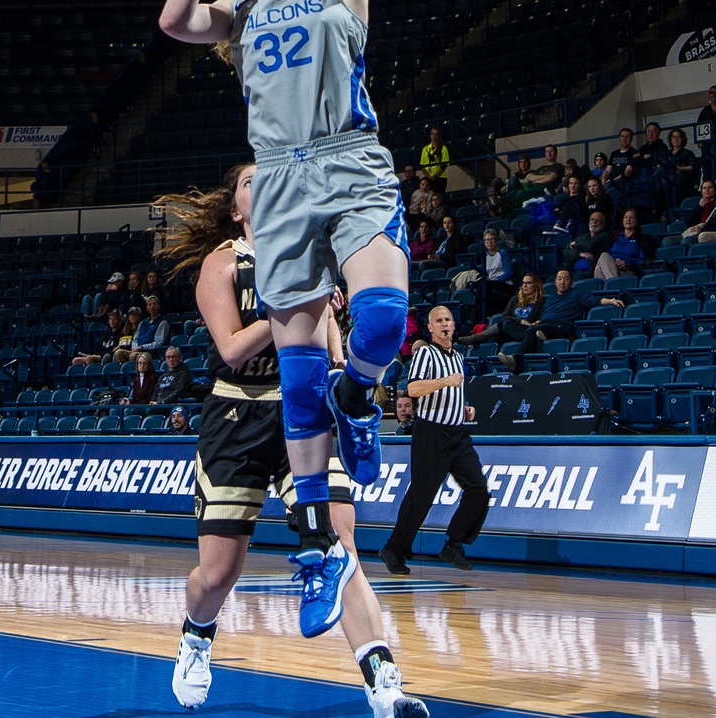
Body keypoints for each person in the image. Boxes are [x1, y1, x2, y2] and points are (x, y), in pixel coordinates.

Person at [159, 0, 424, 638]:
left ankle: (363, 404)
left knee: (382, 322)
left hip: (347, 162)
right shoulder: (246, 9)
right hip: (276, 185)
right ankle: (315, 543)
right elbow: (175, 19)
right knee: (300, 373)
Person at [162, 164, 428, 718]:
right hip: (237, 415)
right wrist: (291, 305)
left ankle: (385, 685)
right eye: (249, 182)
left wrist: (340, 369)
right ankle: (197, 633)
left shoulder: (312, 257)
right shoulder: (222, 263)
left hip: (301, 410)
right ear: (236, 209)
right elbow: (232, 348)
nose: (265, 184)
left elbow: (331, 348)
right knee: (218, 574)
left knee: (341, 546)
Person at [379, 305, 488, 576]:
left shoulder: (458, 357)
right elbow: (413, 388)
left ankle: (453, 543)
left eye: (448, 319)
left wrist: (463, 407)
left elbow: (451, 392)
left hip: (458, 433)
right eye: (438, 320)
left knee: (479, 489)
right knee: (422, 495)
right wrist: (444, 382)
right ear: (430, 327)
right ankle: (394, 548)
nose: (444, 324)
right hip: (431, 432)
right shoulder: (425, 353)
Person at [497, 269, 625, 371]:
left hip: (559, 327)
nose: (562, 282)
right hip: (543, 325)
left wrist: (612, 301)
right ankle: (535, 337)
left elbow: (594, 301)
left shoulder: (576, 294)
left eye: (566, 279)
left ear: (571, 282)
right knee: (507, 324)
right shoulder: (550, 298)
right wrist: (536, 323)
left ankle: (515, 359)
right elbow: (544, 315)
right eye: (559, 279)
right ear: (555, 282)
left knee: (534, 330)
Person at [461, 272, 544, 349]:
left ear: (536, 285)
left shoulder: (541, 302)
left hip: (527, 329)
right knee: (498, 335)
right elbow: (505, 316)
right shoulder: (515, 299)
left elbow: (541, 320)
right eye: (523, 283)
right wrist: (520, 321)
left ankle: (475, 338)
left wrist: (532, 324)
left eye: (529, 283)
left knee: (505, 324)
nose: (525, 286)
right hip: (512, 328)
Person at [451, 229, 513, 311]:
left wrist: (496, 279)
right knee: (471, 284)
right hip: (490, 282)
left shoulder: (502, 253)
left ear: (497, 241)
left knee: (483, 285)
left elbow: (508, 273)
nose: (489, 242)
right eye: (487, 240)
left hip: (504, 283)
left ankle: (482, 311)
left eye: (491, 239)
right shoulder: (486, 256)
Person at [595, 209, 653, 279]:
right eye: (626, 217)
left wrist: (626, 262)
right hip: (611, 266)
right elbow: (607, 253)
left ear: (637, 221)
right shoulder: (614, 236)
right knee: (603, 258)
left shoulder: (641, 238)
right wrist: (614, 262)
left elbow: (643, 259)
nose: (628, 219)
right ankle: (613, 284)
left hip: (628, 270)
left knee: (600, 267)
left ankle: (610, 285)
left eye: (631, 217)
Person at [562, 210, 613, 277]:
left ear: (603, 224)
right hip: (571, 269)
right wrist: (579, 254)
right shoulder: (582, 237)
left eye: (598, 220)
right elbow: (566, 252)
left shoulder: (605, 236)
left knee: (579, 277)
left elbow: (590, 245)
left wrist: (576, 243)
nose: (594, 222)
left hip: (591, 269)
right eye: (592, 219)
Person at [659, 127, 700, 209]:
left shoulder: (687, 153)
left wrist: (679, 168)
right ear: (670, 139)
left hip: (682, 179)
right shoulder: (665, 154)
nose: (676, 139)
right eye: (674, 137)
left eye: (678, 137)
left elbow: (694, 167)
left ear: (682, 139)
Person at [418, 126, 449, 192]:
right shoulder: (425, 149)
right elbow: (422, 165)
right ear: (430, 135)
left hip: (440, 178)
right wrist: (428, 177)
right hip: (428, 178)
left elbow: (444, 165)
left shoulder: (443, 148)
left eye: (436, 134)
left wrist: (434, 176)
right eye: (432, 134)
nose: (434, 136)